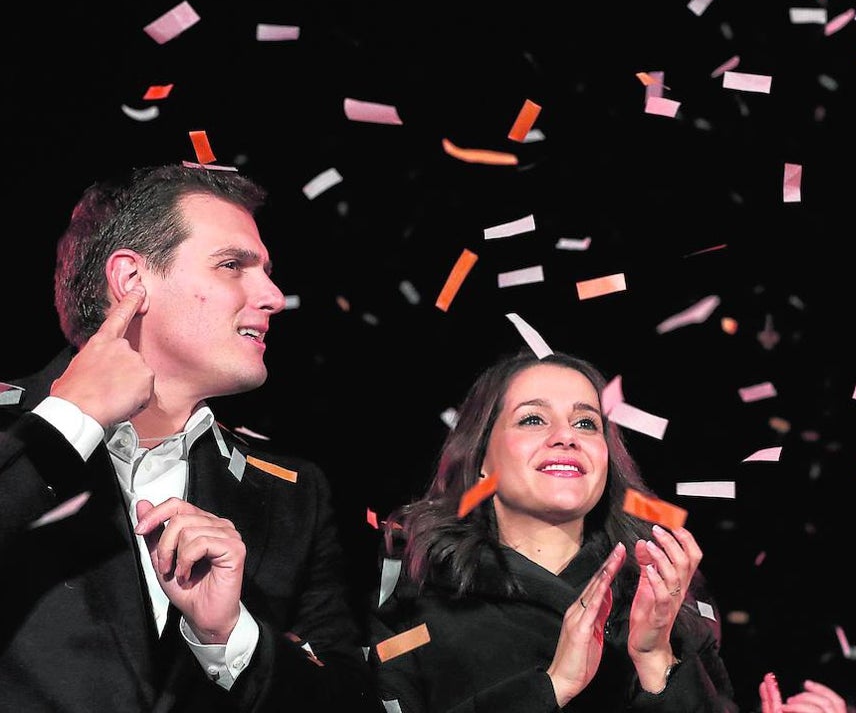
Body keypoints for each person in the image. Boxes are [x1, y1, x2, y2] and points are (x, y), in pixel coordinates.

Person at [0, 162, 382, 712]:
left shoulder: (295, 493)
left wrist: (231, 637)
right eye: (232, 265)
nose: (273, 295)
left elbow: (351, 700)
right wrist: (68, 422)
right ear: (132, 281)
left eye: (268, 271)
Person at [369, 349, 740, 712]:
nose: (567, 437)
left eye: (586, 423)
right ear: (481, 458)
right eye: (533, 419)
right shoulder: (415, 600)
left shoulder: (661, 595)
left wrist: (656, 660)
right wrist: (554, 685)